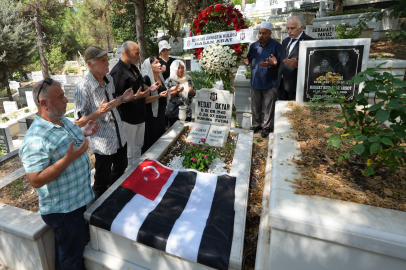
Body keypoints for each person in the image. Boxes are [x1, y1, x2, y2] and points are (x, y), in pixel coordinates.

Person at [19, 79, 98, 269]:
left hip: (75, 201)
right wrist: (68, 159)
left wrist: (84, 132)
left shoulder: (61, 120)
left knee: (68, 250)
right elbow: (35, 180)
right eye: (60, 97)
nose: (66, 100)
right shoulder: (36, 138)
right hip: (63, 210)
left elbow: (66, 141)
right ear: (44, 104)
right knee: (72, 257)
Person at [74, 45, 134, 199]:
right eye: (102, 61)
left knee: (121, 167)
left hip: (119, 134)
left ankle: (112, 196)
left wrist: (122, 99)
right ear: (90, 64)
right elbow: (78, 122)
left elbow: (110, 105)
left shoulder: (109, 79)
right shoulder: (83, 87)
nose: (107, 64)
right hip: (103, 142)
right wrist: (98, 113)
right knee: (102, 179)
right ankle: (99, 205)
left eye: (107, 60)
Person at [110, 41, 159, 165]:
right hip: (128, 119)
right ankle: (128, 177)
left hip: (140, 116)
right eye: (136, 53)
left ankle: (136, 173)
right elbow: (116, 98)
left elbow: (139, 87)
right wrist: (137, 96)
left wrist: (149, 89)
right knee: (129, 151)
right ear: (126, 52)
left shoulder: (133, 67)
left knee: (138, 147)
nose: (139, 56)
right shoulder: (118, 71)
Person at [242, 21, 281, 138]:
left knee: (269, 107)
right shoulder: (253, 46)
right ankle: (256, 125)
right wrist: (247, 62)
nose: (261, 36)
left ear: (270, 33)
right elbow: (249, 61)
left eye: (264, 33)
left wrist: (273, 63)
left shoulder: (276, 45)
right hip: (255, 81)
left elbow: (279, 63)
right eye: (259, 33)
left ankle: (266, 127)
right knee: (255, 106)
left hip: (270, 82)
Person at [269, 16, 314, 101]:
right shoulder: (285, 41)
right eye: (288, 28)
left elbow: (313, 65)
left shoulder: (309, 41)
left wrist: (298, 64)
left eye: (293, 28)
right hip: (281, 85)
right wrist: (275, 62)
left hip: (296, 87)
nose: (289, 31)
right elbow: (283, 61)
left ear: (301, 27)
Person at [141, 57, 180, 153]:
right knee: (152, 140)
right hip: (151, 115)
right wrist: (158, 96)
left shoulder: (160, 76)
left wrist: (173, 90)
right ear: (149, 66)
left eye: (159, 62)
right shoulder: (146, 79)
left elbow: (163, 92)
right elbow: (144, 100)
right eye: (156, 63)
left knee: (159, 137)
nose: (160, 65)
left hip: (161, 113)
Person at [166, 59, 195, 126]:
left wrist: (192, 91)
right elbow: (168, 94)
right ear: (174, 69)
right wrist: (177, 91)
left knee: (186, 131)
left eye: (182, 67)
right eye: (178, 68)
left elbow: (194, 93)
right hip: (175, 112)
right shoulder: (170, 80)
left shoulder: (188, 79)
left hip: (187, 111)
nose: (180, 70)